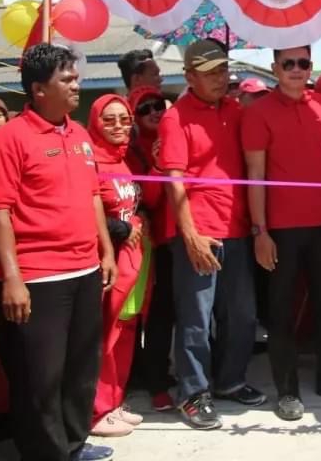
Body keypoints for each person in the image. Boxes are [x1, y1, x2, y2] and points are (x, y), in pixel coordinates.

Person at [0, 43, 118, 461]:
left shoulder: (78, 134)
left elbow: (94, 196)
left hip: (85, 269)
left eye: (75, 77)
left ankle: (74, 443)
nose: (77, 85)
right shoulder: (10, 139)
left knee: (81, 368)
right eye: (67, 79)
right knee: (41, 378)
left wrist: (106, 250)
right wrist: (14, 279)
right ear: (39, 89)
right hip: (39, 276)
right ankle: (46, 453)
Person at [242, 46, 321, 421]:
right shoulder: (258, 112)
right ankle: (287, 390)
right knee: (281, 312)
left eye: (303, 63)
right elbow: (254, 177)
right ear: (274, 67)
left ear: (311, 67)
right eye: (287, 63)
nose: (295, 69)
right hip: (280, 229)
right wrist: (260, 231)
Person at [157, 40, 265, 430]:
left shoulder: (236, 111)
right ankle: (192, 393)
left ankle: (231, 380)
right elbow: (174, 180)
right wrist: (189, 235)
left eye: (223, 71)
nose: (220, 79)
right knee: (195, 320)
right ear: (189, 77)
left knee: (242, 315)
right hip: (198, 231)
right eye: (210, 73)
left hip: (235, 227)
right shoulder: (176, 118)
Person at [86, 95, 146, 438]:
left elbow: (128, 204)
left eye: (124, 119)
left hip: (130, 260)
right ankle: (97, 408)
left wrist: (138, 221)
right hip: (105, 261)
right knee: (104, 336)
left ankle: (113, 401)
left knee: (122, 333)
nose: (119, 126)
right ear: (95, 121)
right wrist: (121, 230)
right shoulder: (91, 159)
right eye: (109, 120)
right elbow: (88, 211)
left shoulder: (123, 160)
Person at [125, 85, 177, 413]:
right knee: (148, 315)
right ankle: (152, 379)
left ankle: (159, 374)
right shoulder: (131, 151)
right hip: (144, 244)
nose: (154, 112)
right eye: (144, 109)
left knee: (169, 312)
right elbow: (150, 201)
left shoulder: (175, 135)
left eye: (158, 105)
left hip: (174, 239)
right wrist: (158, 166)